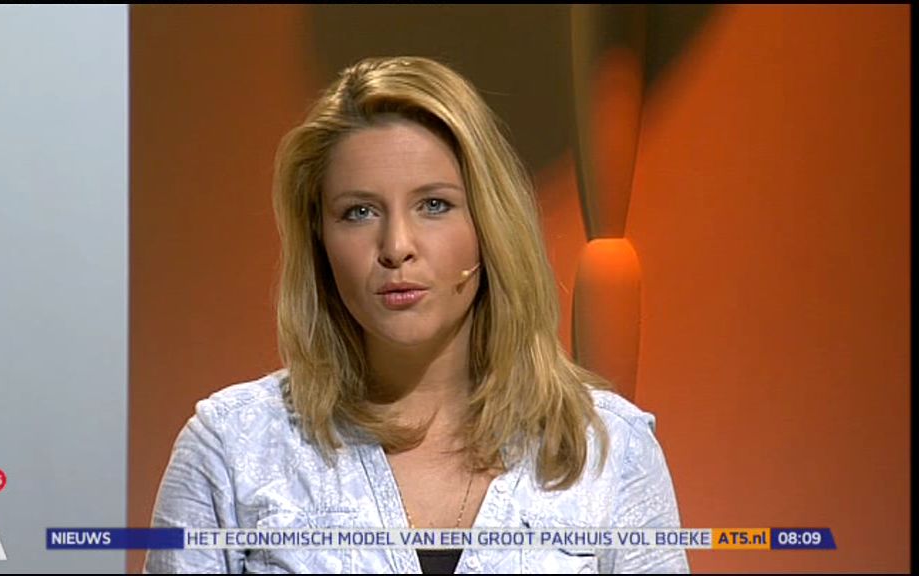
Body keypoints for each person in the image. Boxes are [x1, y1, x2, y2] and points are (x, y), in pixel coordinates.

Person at [144, 56, 689, 574]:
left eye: (434, 205)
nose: (396, 247)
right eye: (359, 212)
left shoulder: (609, 450)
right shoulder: (232, 448)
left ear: (489, 225)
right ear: (319, 239)